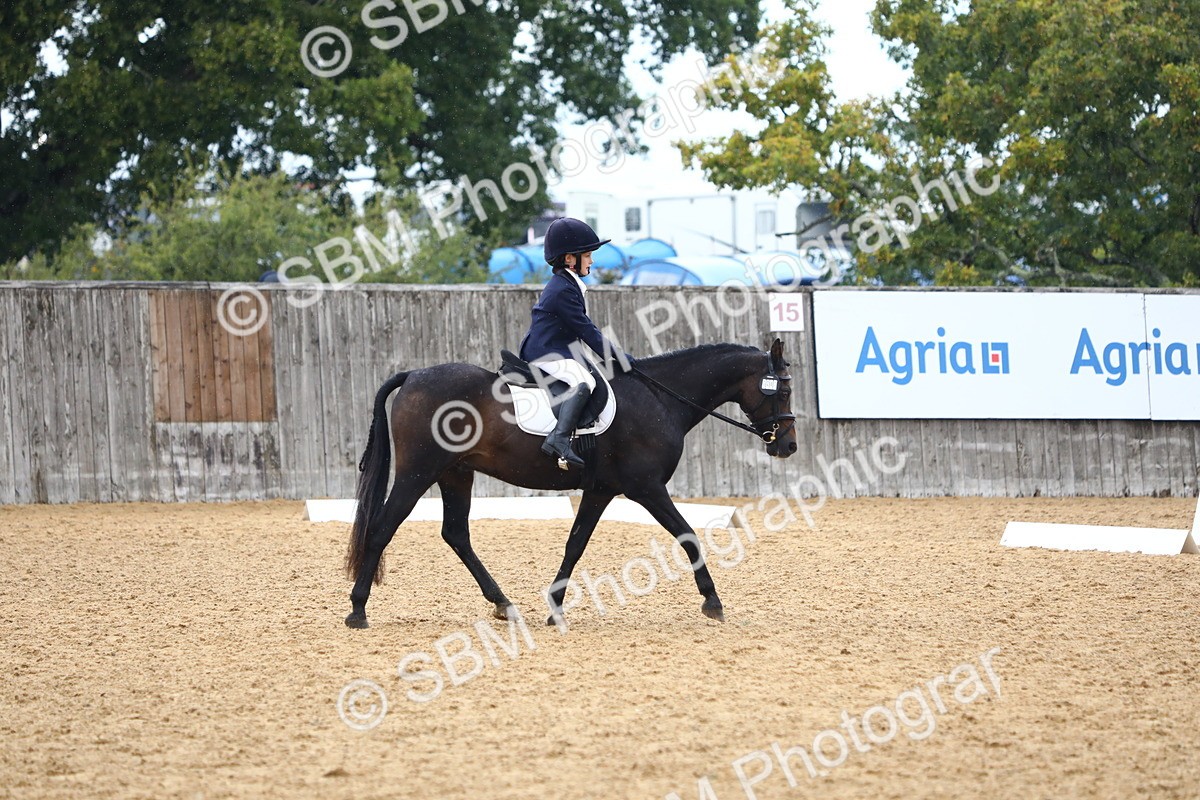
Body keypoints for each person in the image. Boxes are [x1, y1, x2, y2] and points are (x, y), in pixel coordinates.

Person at [519, 217, 635, 469]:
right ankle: (558, 439)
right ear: (570, 259)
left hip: (559, 348)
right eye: (588, 255)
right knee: (584, 382)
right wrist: (616, 355)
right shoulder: (562, 290)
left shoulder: (568, 284)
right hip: (545, 352)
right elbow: (586, 329)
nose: (592, 261)